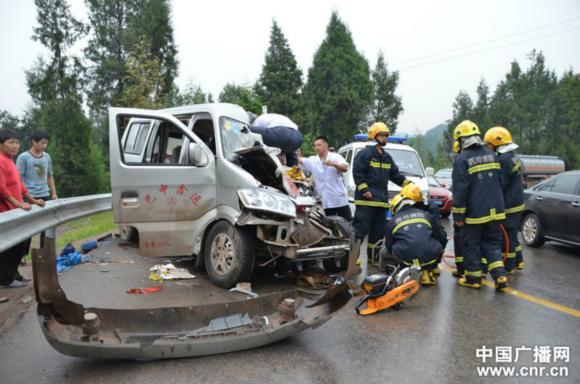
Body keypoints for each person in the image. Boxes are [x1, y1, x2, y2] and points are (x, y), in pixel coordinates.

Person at [452, 120, 508, 291]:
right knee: (492, 244)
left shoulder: (462, 159)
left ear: (462, 140)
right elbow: (500, 182)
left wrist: (459, 216)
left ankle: (473, 279)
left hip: (475, 213)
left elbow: (460, 190)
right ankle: (500, 276)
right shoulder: (492, 155)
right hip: (496, 212)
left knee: (471, 245)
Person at [353, 122, 411, 262]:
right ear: (374, 136)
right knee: (360, 230)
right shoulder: (365, 154)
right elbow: (358, 173)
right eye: (382, 135)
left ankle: (373, 257)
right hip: (366, 201)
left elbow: (395, 175)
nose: (385, 138)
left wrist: (408, 184)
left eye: (386, 135)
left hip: (381, 202)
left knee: (378, 233)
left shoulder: (386, 157)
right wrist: (364, 190)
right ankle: (353, 257)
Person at [0, 129, 45, 288]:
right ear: (1, 145)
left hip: (17, 210)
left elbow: (21, 186)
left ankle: (14, 274)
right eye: (10, 142)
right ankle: (5, 279)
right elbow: (2, 189)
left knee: (21, 246)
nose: (15, 145)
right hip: (7, 212)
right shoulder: (0, 161)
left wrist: (33, 201)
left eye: (17, 142)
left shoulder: (10, 161)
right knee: (11, 248)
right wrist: (19, 204)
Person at [484, 126, 525, 273]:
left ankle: (509, 265)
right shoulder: (513, 155)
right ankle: (519, 262)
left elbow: (500, 183)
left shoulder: (503, 159)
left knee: (507, 235)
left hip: (509, 204)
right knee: (512, 233)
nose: (488, 147)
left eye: (489, 144)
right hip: (517, 201)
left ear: (496, 143)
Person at [385, 192, 448, 286]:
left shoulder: (392, 222)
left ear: (395, 208)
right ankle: (428, 270)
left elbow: (389, 245)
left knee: (396, 247)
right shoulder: (426, 215)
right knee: (436, 240)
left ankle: (405, 270)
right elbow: (440, 235)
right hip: (430, 255)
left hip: (406, 257)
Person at [299, 136, 351, 221]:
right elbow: (299, 159)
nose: (317, 147)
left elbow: (345, 168)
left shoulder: (336, 157)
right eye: (315, 145)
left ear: (326, 145)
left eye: (319, 145)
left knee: (347, 223)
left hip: (338, 199)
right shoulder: (312, 160)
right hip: (324, 201)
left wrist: (334, 164)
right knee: (328, 225)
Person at [17, 130, 57, 202]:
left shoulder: (47, 156)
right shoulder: (23, 157)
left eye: (46, 143)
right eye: (42, 143)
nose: (45, 145)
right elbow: (18, 178)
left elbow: (50, 176)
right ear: (34, 141)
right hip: (29, 196)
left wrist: (54, 194)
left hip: (45, 194)